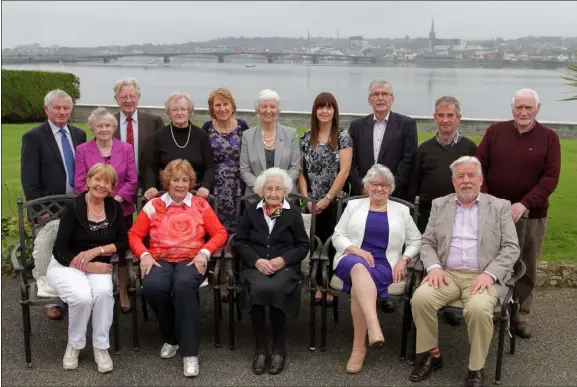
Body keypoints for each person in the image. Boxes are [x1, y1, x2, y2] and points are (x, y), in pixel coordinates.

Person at [409, 156, 520, 387]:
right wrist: (434, 267)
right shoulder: (441, 204)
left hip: (483, 276)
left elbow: (511, 247)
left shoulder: (499, 206)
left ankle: (476, 368)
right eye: (461, 176)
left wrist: (490, 274)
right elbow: (427, 242)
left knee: (478, 309)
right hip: (446, 273)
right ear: (453, 181)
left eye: (471, 176)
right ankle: (432, 355)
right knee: (420, 298)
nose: (466, 181)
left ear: (481, 179)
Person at [128, 159, 227, 377]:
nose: (180, 185)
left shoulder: (200, 204)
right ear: (167, 182)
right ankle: (172, 337)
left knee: (183, 287)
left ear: (191, 182)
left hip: (191, 260)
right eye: (175, 180)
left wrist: (205, 253)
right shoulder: (154, 205)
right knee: (153, 286)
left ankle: (190, 353)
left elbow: (220, 233)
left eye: (184, 180)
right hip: (159, 259)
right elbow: (134, 234)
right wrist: (143, 255)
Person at [475, 88, 561, 339]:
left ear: (538, 108)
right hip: (494, 212)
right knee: (490, 259)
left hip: (531, 214)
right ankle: (493, 306)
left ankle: (520, 315)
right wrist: (490, 201)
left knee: (526, 264)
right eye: (519, 107)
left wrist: (524, 204)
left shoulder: (549, 138)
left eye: (528, 107)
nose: (523, 112)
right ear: (512, 108)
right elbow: (479, 166)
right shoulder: (495, 132)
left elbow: (551, 178)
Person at [332, 164, 421, 374]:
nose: (380, 188)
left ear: (390, 188)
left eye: (385, 185)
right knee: (358, 267)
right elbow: (337, 235)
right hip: (351, 257)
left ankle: (358, 349)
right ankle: (373, 327)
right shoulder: (354, 206)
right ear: (366, 187)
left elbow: (416, 239)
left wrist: (404, 259)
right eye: (375, 184)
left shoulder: (402, 211)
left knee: (358, 288)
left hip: (384, 265)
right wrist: (356, 250)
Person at [46, 163, 128, 373]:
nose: (101, 185)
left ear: (112, 188)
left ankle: (101, 347)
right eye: (97, 179)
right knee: (82, 297)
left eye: (107, 182)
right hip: (67, 264)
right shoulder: (75, 207)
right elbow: (60, 250)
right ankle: (74, 344)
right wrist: (89, 265)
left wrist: (96, 252)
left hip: (98, 263)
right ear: (88, 180)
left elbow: (122, 242)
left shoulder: (114, 207)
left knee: (103, 293)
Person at [234, 168, 310, 375]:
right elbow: (239, 242)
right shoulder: (251, 211)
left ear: (285, 191)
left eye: (278, 189)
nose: (273, 193)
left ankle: (278, 349)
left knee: (275, 288)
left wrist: (282, 260)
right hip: (255, 266)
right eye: (269, 188)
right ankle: (260, 349)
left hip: (284, 267)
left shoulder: (292, 212)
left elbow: (303, 246)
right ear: (261, 191)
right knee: (258, 287)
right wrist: (257, 261)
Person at [21, 89, 87, 320]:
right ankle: (52, 300)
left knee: (74, 250)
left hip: (77, 206)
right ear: (46, 110)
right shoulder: (34, 137)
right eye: (57, 107)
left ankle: (74, 293)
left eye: (66, 108)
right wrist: (42, 213)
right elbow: (29, 180)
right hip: (49, 210)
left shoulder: (79, 135)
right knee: (50, 253)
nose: (62, 112)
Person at [74, 107, 137, 313]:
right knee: (95, 248)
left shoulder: (126, 148)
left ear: (114, 128)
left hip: (122, 209)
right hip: (92, 210)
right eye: (99, 125)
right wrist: (98, 200)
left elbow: (131, 179)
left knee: (121, 250)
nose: (104, 129)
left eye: (108, 125)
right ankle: (97, 291)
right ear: (92, 128)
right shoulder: (83, 150)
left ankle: (123, 291)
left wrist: (115, 201)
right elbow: (80, 182)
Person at [297, 92, 352, 305]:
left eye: (329, 107)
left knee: (331, 243)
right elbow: (301, 171)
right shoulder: (306, 136)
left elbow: (344, 171)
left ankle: (329, 285)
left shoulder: (343, 137)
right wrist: (306, 198)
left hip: (334, 201)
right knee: (314, 243)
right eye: (321, 107)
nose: (325, 111)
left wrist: (328, 198)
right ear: (315, 111)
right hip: (311, 202)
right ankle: (317, 284)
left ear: (334, 111)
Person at [201, 88, 250, 302]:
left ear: (232, 105)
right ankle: (221, 278)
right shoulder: (206, 128)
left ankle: (238, 275)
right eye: (217, 105)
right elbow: (205, 160)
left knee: (238, 231)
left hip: (239, 188)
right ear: (212, 108)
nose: (222, 108)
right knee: (217, 232)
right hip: (215, 190)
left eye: (225, 104)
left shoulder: (243, 127)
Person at [409, 96, 477, 233]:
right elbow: (414, 184)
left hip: (461, 213)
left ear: (458, 117)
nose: (445, 120)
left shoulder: (470, 148)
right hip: (429, 215)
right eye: (441, 115)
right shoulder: (424, 149)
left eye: (450, 115)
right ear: (435, 117)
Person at [348, 79, 418, 199]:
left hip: (394, 196)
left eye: (385, 94)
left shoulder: (407, 125)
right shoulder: (356, 126)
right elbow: (350, 161)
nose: (380, 98)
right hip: (361, 195)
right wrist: (362, 187)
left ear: (392, 99)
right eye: (376, 94)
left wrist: (390, 188)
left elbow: (408, 160)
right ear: (369, 100)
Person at [144, 92, 214, 201]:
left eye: (183, 109)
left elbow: (209, 167)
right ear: (169, 113)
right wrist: (151, 187)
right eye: (175, 109)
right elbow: (150, 166)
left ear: (189, 111)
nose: (179, 113)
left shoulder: (201, 135)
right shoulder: (158, 136)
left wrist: (206, 186)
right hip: (166, 194)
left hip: (196, 194)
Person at [239, 89, 301, 196]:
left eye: (272, 107)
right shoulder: (247, 136)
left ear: (278, 110)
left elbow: (295, 167)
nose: (268, 111)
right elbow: (244, 170)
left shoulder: (291, 134)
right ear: (258, 110)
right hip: (256, 197)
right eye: (264, 106)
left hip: (286, 197)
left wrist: (279, 189)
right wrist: (262, 189)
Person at [113, 77, 165, 186]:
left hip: (148, 185)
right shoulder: (109, 124)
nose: (128, 100)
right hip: (116, 186)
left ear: (139, 97)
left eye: (132, 96)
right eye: (123, 97)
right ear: (116, 99)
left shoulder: (154, 122)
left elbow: (163, 152)